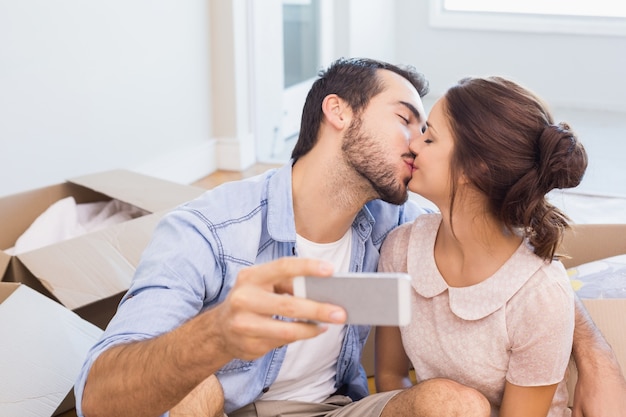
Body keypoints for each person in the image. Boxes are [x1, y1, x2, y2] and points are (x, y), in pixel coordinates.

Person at [75, 58, 625, 417]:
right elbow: (97, 396)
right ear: (337, 110)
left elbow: (512, 272)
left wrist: (592, 352)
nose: (417, 143)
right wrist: (215, 337)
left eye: (428, 132)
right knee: (194, 391)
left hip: (341, 409)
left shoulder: (394, 226)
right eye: (407, 120)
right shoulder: (207, 231)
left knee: (452, 405)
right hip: (232, 407)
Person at [375, 76, 626, 416]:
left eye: (430, 138)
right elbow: (391, 376)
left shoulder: (539, 295)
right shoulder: (400, 249)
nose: (413, 145)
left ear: (474, 168)